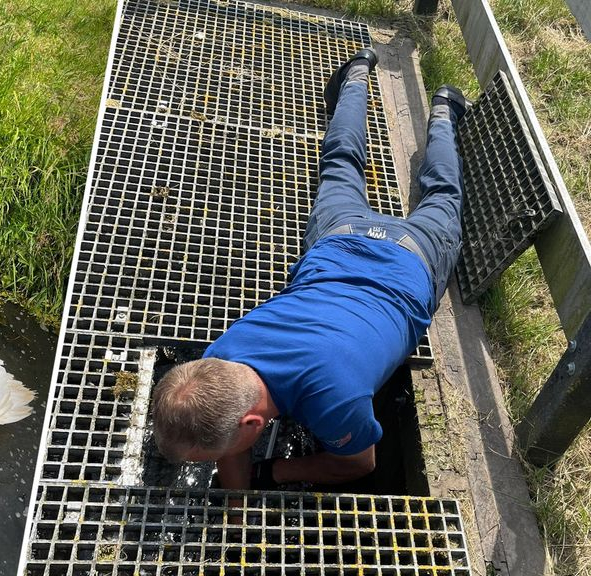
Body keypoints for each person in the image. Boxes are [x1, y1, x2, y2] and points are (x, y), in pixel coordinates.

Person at [151, 49, 471, 490]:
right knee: (340, 161)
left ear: (252, 425)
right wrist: (237, 505)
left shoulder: (336, 401)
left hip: (413, 261)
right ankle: (374, 82)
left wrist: (269, 473)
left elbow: (359, 464)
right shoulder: (221, 356)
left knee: (444, 196)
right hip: (341, 240)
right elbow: (233, 432)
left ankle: (445, 111)